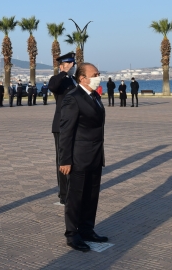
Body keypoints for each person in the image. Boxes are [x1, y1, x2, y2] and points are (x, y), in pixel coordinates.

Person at [58, 62, 108, 252]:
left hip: (95, 155)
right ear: (82, 78)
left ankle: (87, 229)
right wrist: (65, 160)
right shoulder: (73, 98)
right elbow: (66, 131)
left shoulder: (94, 96)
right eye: (94, 74)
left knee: (91, 195)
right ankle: (72, 234)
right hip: (78, 157)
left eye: (98, 73)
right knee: (76, 197)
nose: (98, 76)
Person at [48, 52, 78, 205]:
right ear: (61, 66)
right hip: (61, 126)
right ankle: (64, 194)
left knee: (73, 159)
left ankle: (72, 190)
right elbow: (52, 86)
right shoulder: (58, 80)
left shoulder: (74, 81)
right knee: (62, 160)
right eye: (69, 64)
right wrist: (64, 72)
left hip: (75, 126)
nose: (72, 66)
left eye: (73, 64)